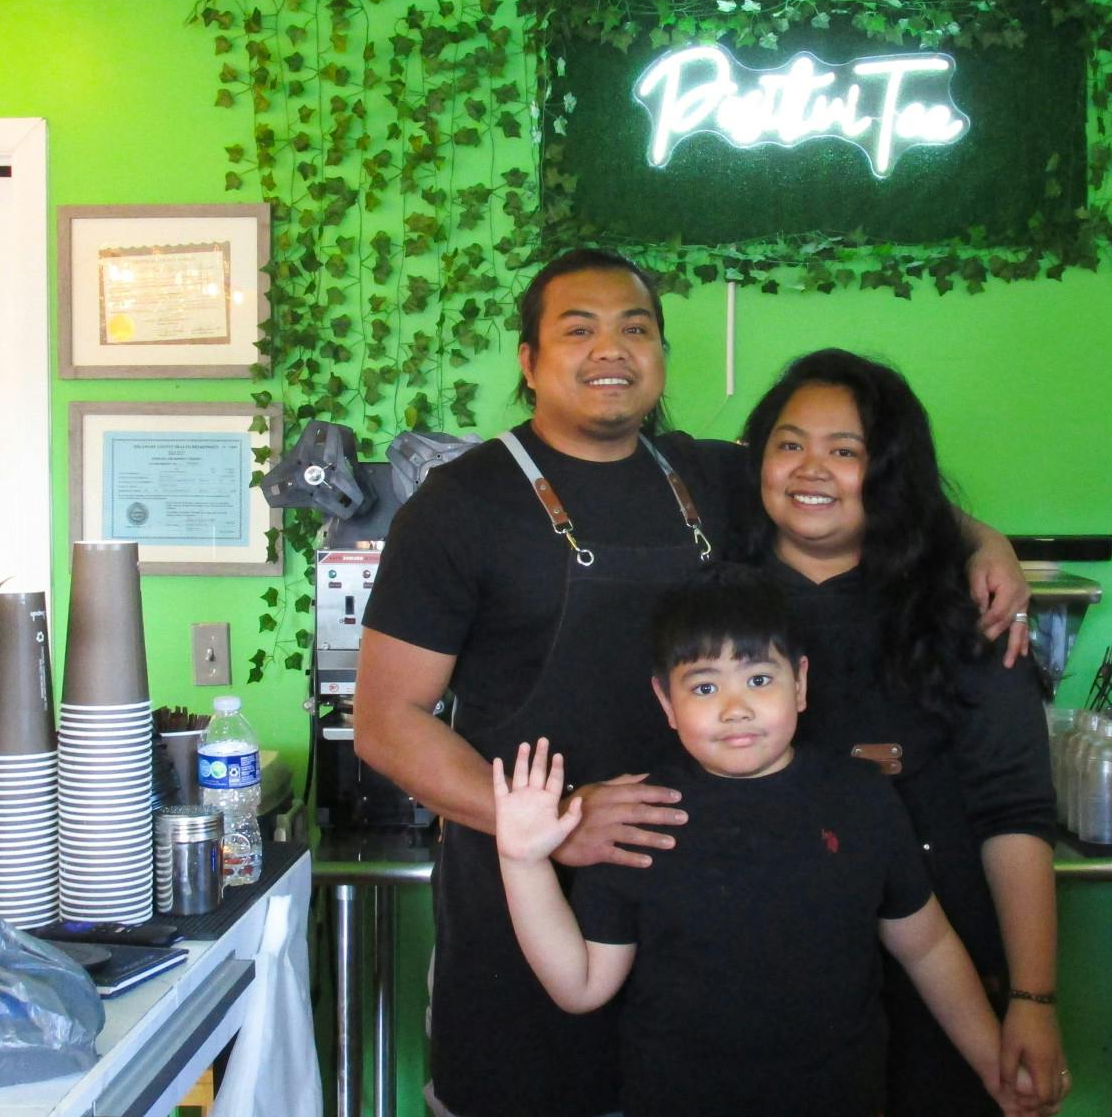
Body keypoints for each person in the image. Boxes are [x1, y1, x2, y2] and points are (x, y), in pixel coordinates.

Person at [355, 248, 1032, 1117]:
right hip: (528, 931)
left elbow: (859, 487)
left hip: (702, 951)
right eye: (579, 329)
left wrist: (985, 541)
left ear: (662, 355)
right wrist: (548, 825)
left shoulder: (707, 477)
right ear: (528, 361)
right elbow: (385, 721)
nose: (613, 348)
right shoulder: (458, 506)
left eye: (636, 328)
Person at [491, 565, 1034, 1117]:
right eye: (705, 686)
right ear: (665, 702)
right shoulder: (637, 817)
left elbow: (927, 947)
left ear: (799, 684)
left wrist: (995, 1065)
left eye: (758, 679)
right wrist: (523, 861)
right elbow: (579, 987)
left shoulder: (862, 800)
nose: (735, 708)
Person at [739, 348, 1072, 1116]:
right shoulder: (715, 608)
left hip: (945, 998)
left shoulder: (966, 615)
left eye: (845, 451)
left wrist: (1034, 999)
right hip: (761, 993)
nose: (810, 469)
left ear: (888, 472)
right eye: (789, 445)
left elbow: (1014, 812)